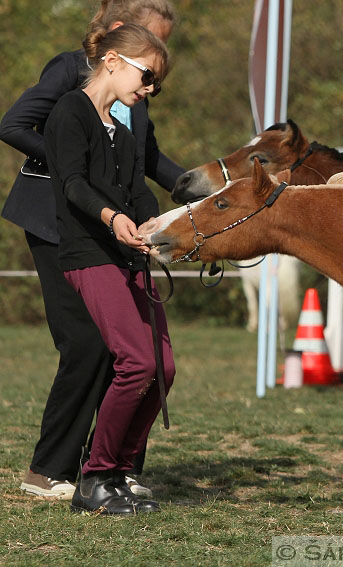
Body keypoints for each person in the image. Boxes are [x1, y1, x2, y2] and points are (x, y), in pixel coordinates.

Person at [0, 0, 183, 501]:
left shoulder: (132, 105)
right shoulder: (69, 77)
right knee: (88, 346)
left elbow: (146, 162)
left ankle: (115, 469)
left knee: (145, 358)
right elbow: (15, 126)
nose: (154, 75)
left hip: (115, 229)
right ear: (120, 42)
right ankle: (51, 469)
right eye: (152, 47)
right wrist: (75, 163)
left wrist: (200, 195)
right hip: (60, 224)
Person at [44, 22, 176, 515]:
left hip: (127, 255)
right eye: (146, 77)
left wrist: (159, 224)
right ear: (113, 61)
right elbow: (73, 185)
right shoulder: (69, 112)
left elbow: (139, 192)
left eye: (155, 85)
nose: (149, 90)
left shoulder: (120, 130)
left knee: (162, 368)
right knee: (137, 363)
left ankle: (117, 473)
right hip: (88, 254)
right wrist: (113, 217)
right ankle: (95, 478)